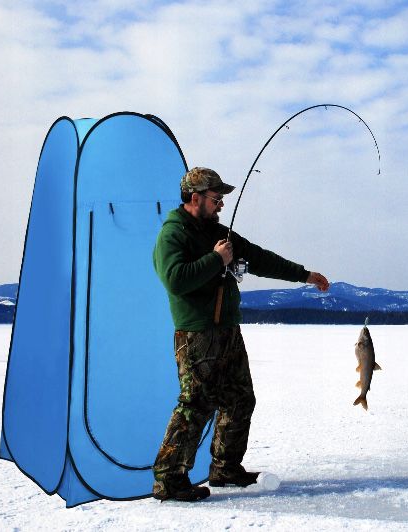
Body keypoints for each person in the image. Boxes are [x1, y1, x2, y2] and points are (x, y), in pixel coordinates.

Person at [151, 167, 329, 501]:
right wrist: (216, 259)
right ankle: (168, 479)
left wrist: (304, 275)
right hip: (198, 336)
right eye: (215, 198)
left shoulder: (218, 231)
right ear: (195, 198)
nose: (220, 205)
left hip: (227, 332)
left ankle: (225, 469)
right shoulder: (173, 234)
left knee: (239, 399)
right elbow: (175, 280)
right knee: (195, 406)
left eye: (221, 199)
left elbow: (259, 258)